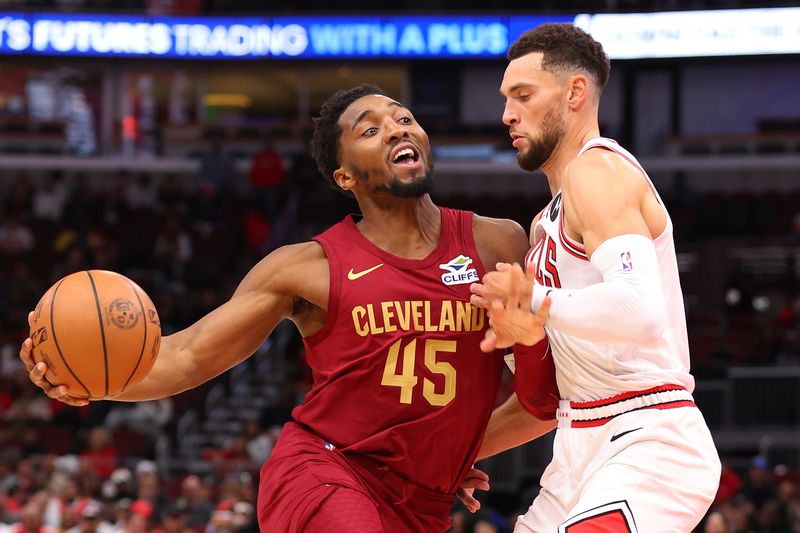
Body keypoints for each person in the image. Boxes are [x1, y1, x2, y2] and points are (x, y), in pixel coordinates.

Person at [20, 84, 558, 532]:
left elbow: (543, 400)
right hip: (324, 470)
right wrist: (91, 381)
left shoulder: (499, 244)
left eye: (404, 118)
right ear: (344, 176)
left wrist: (455, 451)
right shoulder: (305, 268)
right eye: (370, 129)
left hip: (421, 504)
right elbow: (186, 357)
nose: (397, 128)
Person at [468, 23, 722, 532]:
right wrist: (451, 454)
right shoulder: (545, 224)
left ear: (575, 93)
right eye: (504, 100)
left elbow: (639, 312)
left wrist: (536, 304)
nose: (507, 115)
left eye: (522, 95)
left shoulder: (597, 171)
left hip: (648, 435)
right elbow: (543, 407)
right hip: (578, 442)